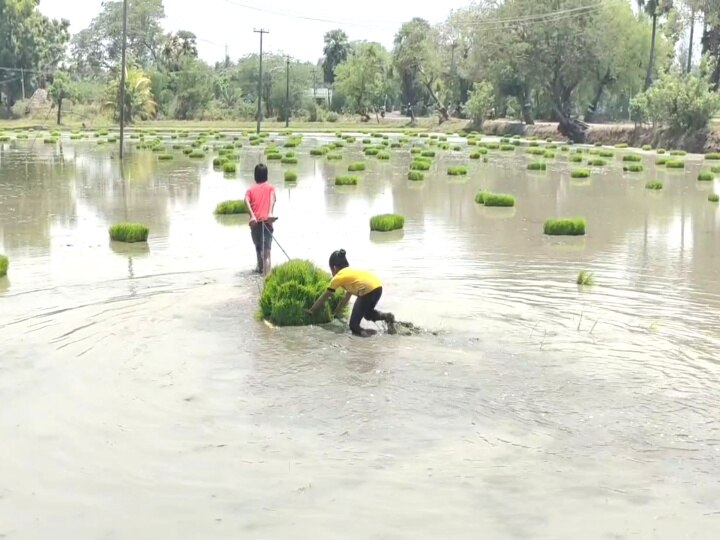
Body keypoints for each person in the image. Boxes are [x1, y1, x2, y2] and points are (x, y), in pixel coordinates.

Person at [308, 249, 396, 337]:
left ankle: (371, 338)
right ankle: (387, 316)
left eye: (331, 270)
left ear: (334, 268)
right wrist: (335, 313)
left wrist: (311, 311)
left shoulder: (338, 277)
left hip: (366, 289)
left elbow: (325, 296)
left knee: (354, 326)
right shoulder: (350, 273)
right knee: (368, 314)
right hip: (378, 287)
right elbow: (346, 298)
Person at [244, 163, 276, 276]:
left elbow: (245, 200)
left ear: (255, 175)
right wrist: (270, 213)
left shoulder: (250, 189)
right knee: (267, 253)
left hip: (255, 224)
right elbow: (272, 198)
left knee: (258, 248)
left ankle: (259, 270)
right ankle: (267, 278)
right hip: (267, 222)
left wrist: (252, 215)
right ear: (266, 175)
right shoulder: (270, 188)